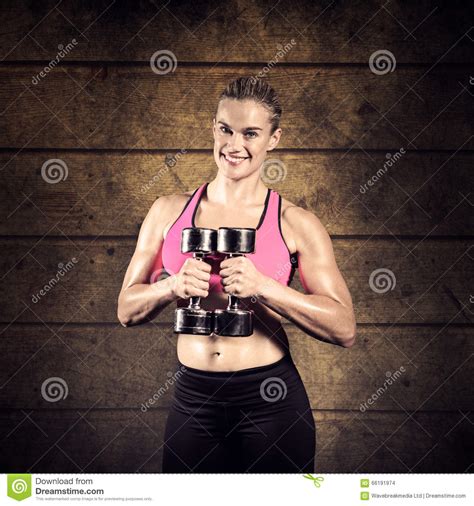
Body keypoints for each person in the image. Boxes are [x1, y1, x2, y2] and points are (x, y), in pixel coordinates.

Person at [117, 76, 356, 473]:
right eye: (225, 130)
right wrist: (170, 286)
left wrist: (265, 287)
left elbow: (344, 328)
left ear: (273, 139)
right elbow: (126, 309)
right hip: (192, 398)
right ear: (214, 128)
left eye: (250, 133)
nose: (234, 145)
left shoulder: (295, 222)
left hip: (269, 400)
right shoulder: (167, 211)